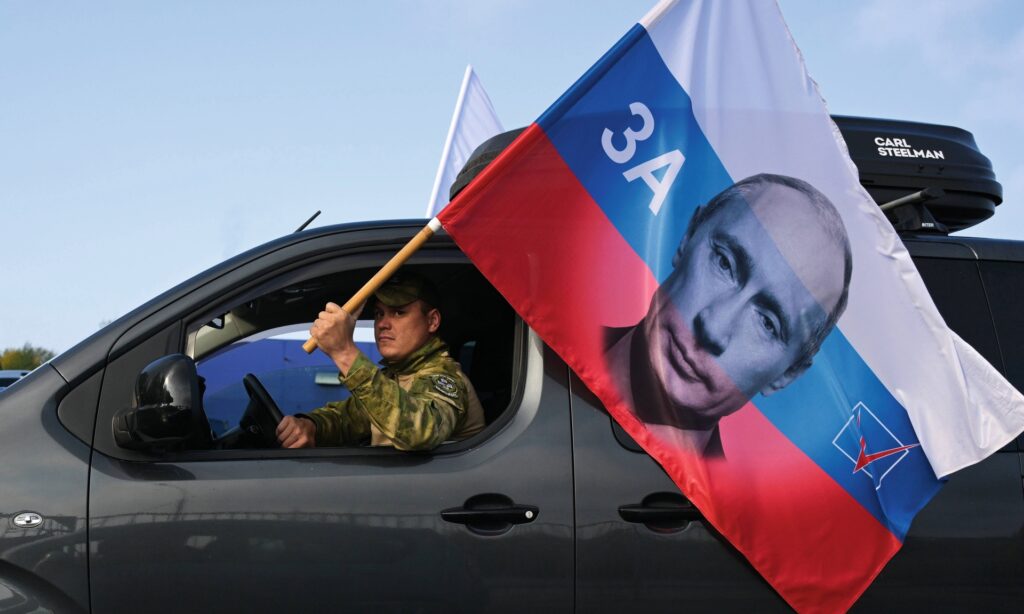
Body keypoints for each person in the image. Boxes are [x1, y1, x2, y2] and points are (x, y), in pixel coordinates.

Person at [606, 173, 853, 456]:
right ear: (689, 236)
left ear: (787, 373)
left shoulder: (741, 490)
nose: (713, 329)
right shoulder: (558, 340)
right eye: (725, 263)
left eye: (767, 324)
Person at [276, 270, 485, 451]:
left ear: (432, 321)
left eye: (399, 312)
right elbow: (347, 419)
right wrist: (311, 427)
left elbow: (420, 431)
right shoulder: (395, 377)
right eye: (379, 313)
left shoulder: (445, 377)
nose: (383, 323)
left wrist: (345, 352)